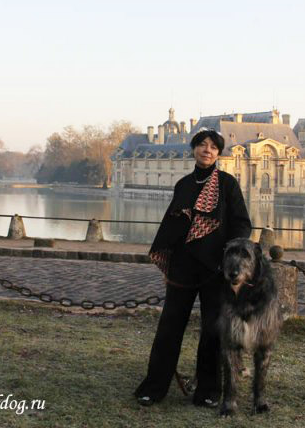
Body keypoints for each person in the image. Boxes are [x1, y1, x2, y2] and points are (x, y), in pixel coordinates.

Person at [134, 128, 252, 408]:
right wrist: (169, 257)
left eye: (213, 147)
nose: (207, 150)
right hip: (183, 267)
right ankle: (154, 387)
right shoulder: (184, 185)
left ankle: (208, 391)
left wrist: (232, 256)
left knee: (212, 330)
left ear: (218, 153)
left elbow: (242, 224)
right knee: (169, 328)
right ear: (194, 150)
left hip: (215, 269)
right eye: (202, 145)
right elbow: (173, 225)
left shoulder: (227, 184)